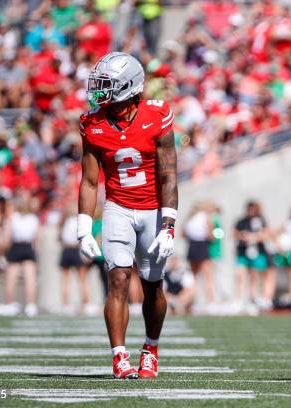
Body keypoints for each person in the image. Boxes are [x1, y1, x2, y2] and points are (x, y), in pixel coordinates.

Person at [77, 52, 177, 379]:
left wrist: (169, 226)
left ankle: (151, 347)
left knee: (152, 286)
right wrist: (83, 227)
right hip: (118, 207)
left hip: (153, 209)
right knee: (117, 277)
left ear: (128, 87)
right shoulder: (92, 123)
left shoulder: (157, 115)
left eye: (107, 85)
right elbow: (90, 180)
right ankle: (119, 357)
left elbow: (168, 175)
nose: (98, 90)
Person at [234, 201, 275, 311]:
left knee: (254, 276)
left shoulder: (261, 220)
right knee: (240, 275)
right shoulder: (241, 221)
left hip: (257, 253)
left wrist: (254, 237)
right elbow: (234, 233)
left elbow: (267, 233)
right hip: (243, 252)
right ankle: (238, 300)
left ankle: (253, 298)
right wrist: (243, 236)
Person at [3, 196, 40, 317]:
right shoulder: (34, 218)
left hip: (16, 247)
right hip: (28, 247)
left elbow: (7, 236)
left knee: (11, 277)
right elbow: (36, 238)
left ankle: (9, 304)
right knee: (30, 278)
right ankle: (31, 305)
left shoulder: (13, 217)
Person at [183, 202, 216, 304]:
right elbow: (211, 236)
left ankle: (192, 301)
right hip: (202, 245)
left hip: (192, 246)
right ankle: (211, 301)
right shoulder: (205, 217)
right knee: (208, 276)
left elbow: (183, 234)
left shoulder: (189, 219)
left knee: (194, 276)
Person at [59, 206, 90, 311]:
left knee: (66, 279)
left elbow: (60, 238)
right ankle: (86, 302)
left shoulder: (64, 223)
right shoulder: (78, 222)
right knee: (82, 279)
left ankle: (65, 303)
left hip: (66, 250)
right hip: (76, 250)